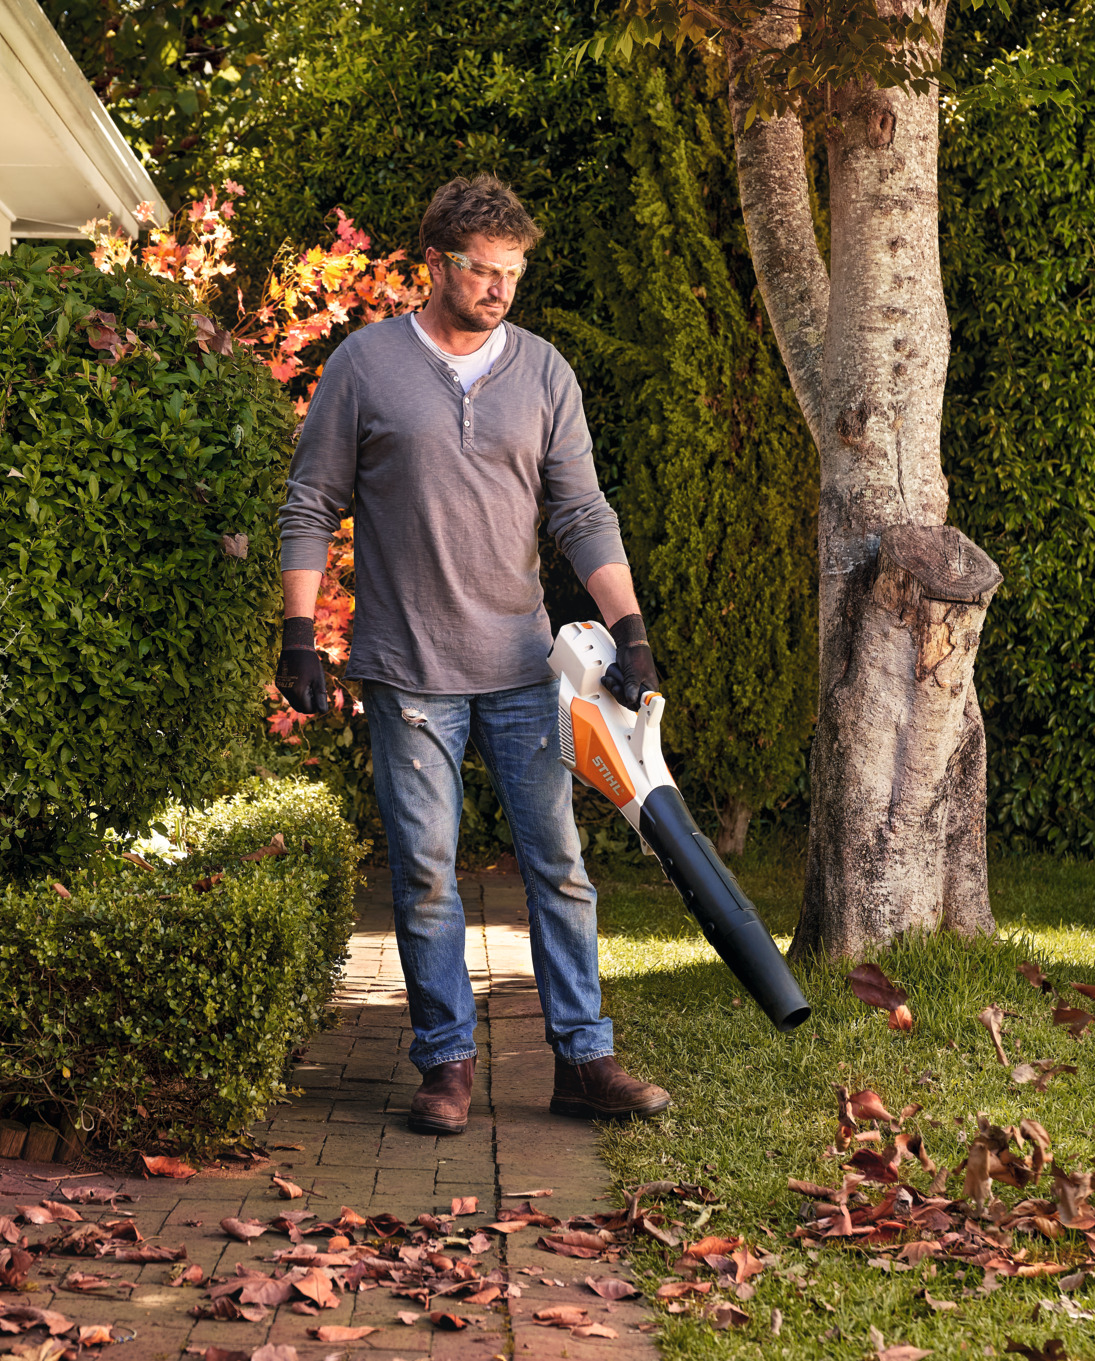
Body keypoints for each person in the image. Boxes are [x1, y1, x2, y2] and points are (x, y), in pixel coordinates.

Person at [275, 174, 671, 1136]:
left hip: (526, 670)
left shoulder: (542, 373)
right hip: (408, 670)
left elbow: (581, 511)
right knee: (424, 872)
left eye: (512, 274)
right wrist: (297, 633)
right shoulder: (364, 368)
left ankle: (583, 1060)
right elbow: (310, 502)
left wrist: (632, 632)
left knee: (561, 867)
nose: (499, 290)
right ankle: (446, 1063)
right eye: (482, 271)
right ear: (437, 265)